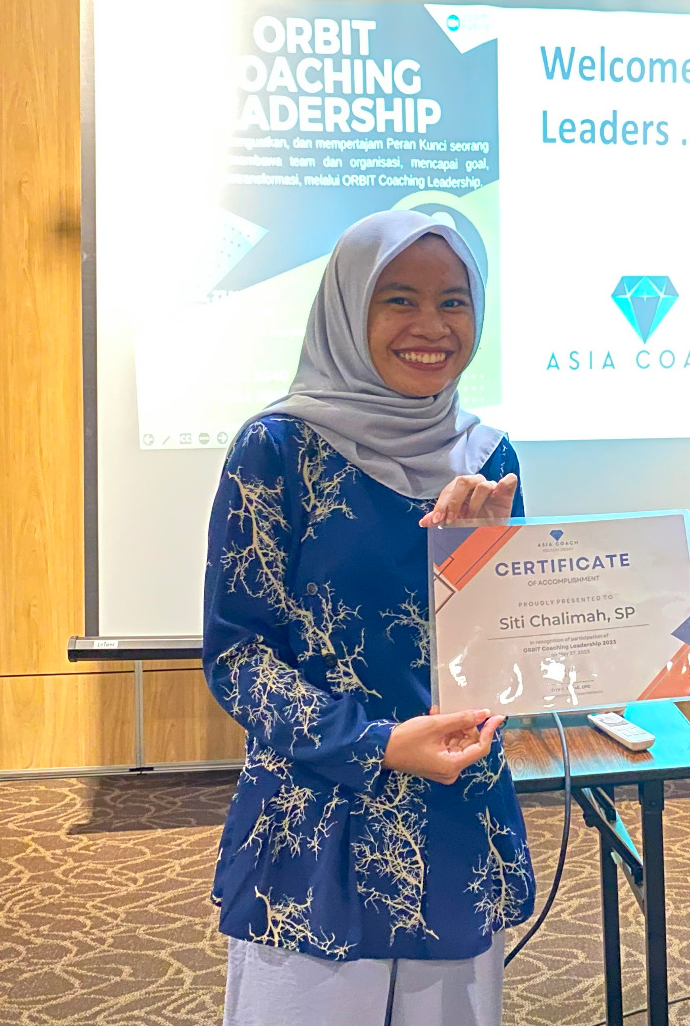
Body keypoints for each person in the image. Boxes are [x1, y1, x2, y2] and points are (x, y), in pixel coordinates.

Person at [203, 210, 533, 1026]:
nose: (432, 327)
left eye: (453, 302)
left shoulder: (489, 459)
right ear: (349, 309)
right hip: (317, 822)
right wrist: (375, 744)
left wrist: (488, 566)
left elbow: (502, 658)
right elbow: (239, 656)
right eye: (399, 299)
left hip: (452, 820)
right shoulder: (277, 448)